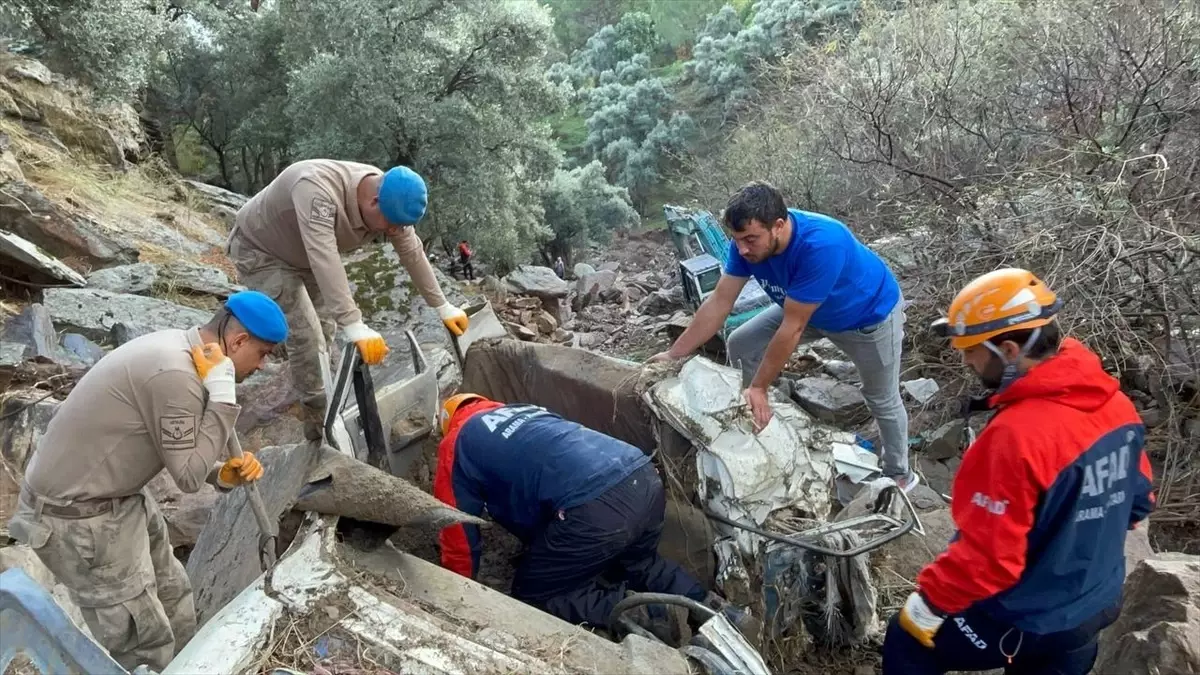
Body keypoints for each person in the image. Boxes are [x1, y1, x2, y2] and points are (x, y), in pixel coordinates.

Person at [883, 268, 1155, 675]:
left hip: (1027, 620)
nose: (965, 359)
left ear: (1009, 350)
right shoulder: (1116, 406)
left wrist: (928, 603)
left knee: (907, 640)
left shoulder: (1017, 435)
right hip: (1094, 606)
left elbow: (990, 560)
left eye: (971, 349)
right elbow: (1139, 502)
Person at [6, 291, 287, 672]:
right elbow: (186, 478)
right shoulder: (176, 374)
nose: (263, 365)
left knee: (173, 596)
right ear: (238, 341)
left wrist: (218, 472)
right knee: (142, 642)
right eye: (263, 354)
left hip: (117, 498)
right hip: (79, 520)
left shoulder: (185, 350)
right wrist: (222, 398)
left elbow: (174, 446)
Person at [650, 181, 915, 489]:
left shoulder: (822, 244)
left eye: (750, 239)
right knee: (741, 342)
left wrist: (760, 384)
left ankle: (899, 474)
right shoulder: (746, 246)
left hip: (867, 318)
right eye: (737, 240)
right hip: (805, 308)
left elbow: (793, 328)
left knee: (880, 397)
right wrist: (675, 353)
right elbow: (720, 302)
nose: (742, 249)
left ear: (778, 225)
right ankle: (758, 415)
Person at [434, 393, 743, 638]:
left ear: (450, 423)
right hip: (641, 476)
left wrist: (459, 592)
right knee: (638, 563)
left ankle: (649, 615)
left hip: (593, 505)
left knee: (536, 594)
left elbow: (455, 527)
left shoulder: (456, 442)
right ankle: (712, 609)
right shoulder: (527, 412)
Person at [227, 160, 469, 439]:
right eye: (390, 225)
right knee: (307, 336)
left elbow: (412, 253)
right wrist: (355, 324)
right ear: (374, 201)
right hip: (262, 251)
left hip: (303, 257)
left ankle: (303, 372)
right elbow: (324, 256)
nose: (393, 232)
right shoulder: (316, 190)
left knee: (325, 330)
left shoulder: (393, 200)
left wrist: (443, 306)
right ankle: (318, 429)